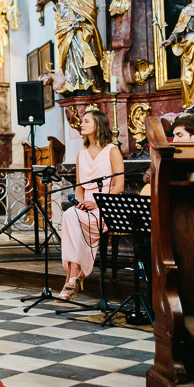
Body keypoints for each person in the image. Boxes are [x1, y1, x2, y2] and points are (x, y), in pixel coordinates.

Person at [59, 109, 124, 301]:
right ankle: (74, 275)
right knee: (70, 214)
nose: (82, 124)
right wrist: (81, 202)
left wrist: (97, 204)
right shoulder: (82, 154)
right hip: (86, 206)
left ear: (99, 125)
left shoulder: (112, 150)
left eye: (87, 121)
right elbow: (79, 187)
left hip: (107, 206)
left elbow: (119, 186)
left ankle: (72, 277)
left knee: (72, 219)